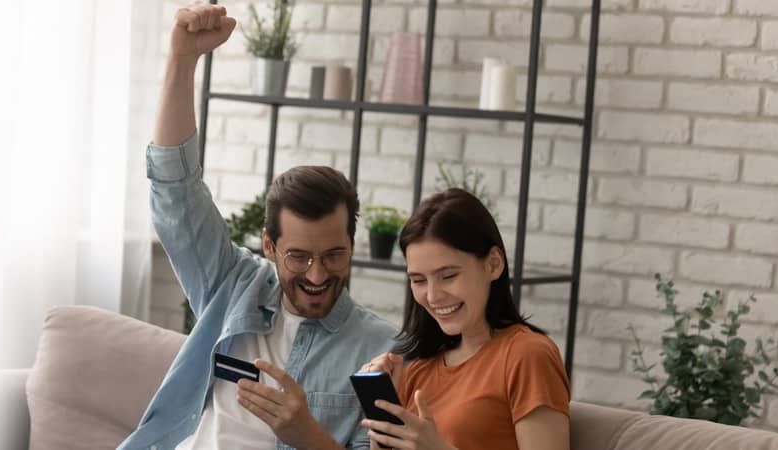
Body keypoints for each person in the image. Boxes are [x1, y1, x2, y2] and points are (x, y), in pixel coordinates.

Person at [118, 3, 397, 449]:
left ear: (351, 242)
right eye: (298, 257)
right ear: (269, 245)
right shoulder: (231, 286)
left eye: (333, 255)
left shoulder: (379, 349)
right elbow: (175, 190)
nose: (317, 274)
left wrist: (306, 434)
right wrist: (182, 59)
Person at [359, 188, 570, 450]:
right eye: (419, 280)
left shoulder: (528, 355)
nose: (433, 296)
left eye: (448, 276)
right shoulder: (419, 370)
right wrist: (382, 419)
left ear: (493, 264)